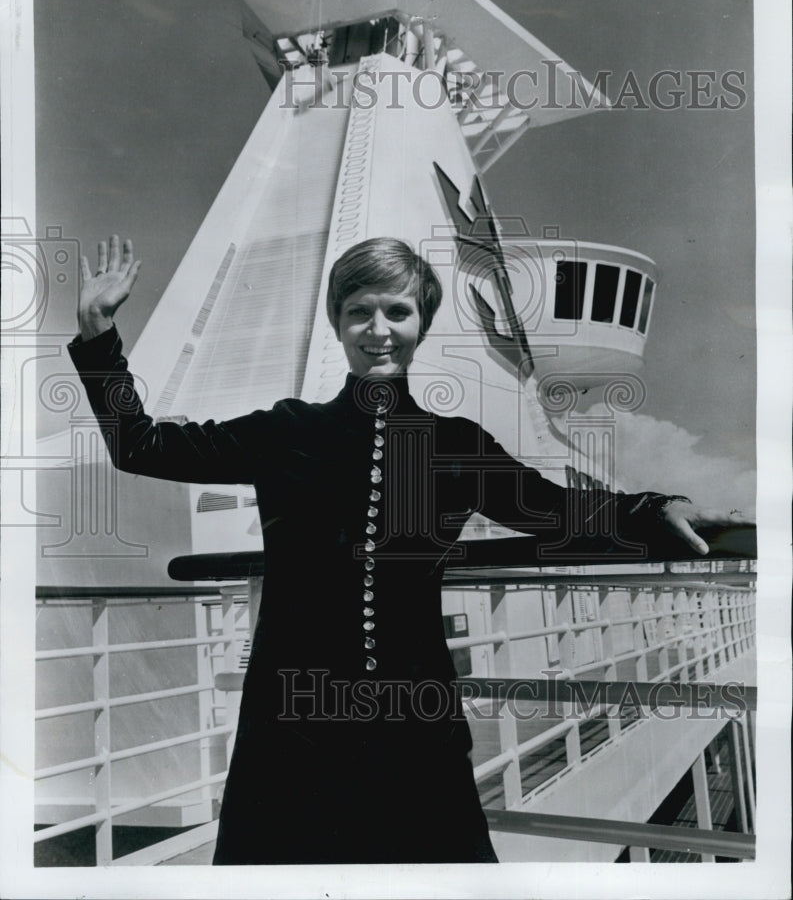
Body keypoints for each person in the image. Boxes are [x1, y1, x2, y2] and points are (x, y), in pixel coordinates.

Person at [68, 234, 747, 864]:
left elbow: (558, 512)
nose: (379, 329)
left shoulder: (456, 444)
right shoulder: (285, 431)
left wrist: (656, 509)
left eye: (397, 311)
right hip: (294, 715)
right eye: (359, 311)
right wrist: (99, 336)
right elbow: (141, 445)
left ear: (421, 323)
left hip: (415, 715)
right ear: (337, 323)